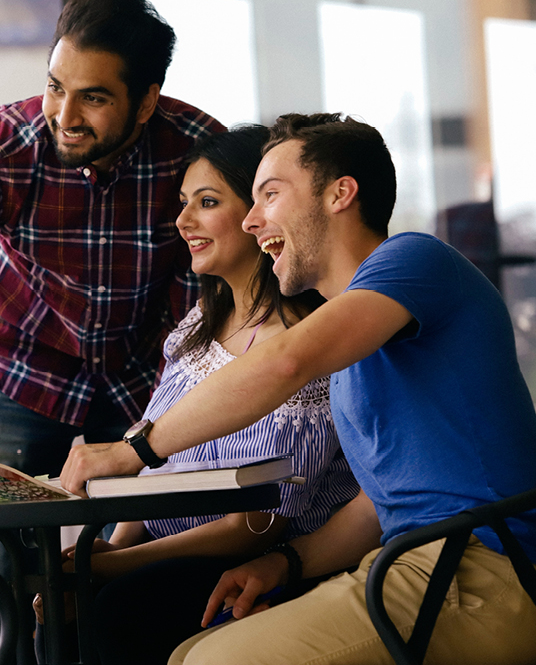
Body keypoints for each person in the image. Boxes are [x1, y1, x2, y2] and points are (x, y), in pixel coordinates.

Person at [60, 113, 536, 665]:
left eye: (269, 195)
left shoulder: (415, 260)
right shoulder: (356, 353)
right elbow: (372, 509)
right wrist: (284, 561)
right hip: (409, 562)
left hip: (482, 572)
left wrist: (130, 450)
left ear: (340, 194)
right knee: (190, 651)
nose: (252, 221)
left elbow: (283, 363)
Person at [0, 0, 224, 663]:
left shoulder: (196, 152)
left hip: (144, 383)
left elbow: (207, 312)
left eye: (93, 97)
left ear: (146, 100)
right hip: (22, 374)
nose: (64, 115)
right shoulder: (1, 146)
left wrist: (170, 421)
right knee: (1, 566)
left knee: (141, 560)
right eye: (55, 86)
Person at [32, 125, 359, 665]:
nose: (183, 222)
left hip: (256, 563)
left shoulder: (308, 347)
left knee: (114, 612)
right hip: (156, 556)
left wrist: (113, 565)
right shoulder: (196, 329)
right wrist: (114, 546)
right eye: (184, 204)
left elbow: (255, 525)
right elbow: (153, 469)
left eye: (207, 203)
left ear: (261, 214)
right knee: (55, 614)